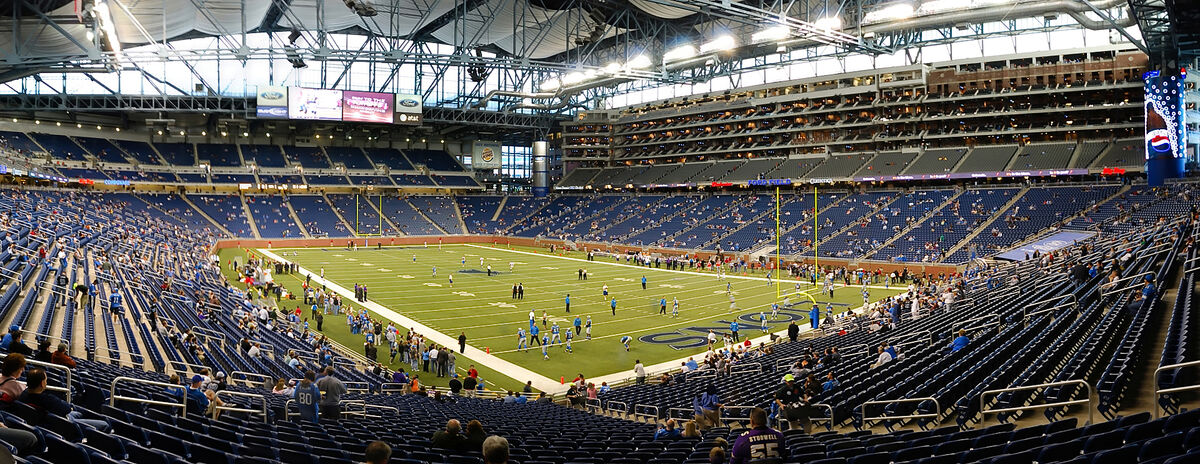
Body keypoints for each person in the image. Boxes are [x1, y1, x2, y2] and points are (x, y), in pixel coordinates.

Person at [20, 368, 111, 431]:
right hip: (65, 424)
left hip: (53, 419)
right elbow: (66, 409)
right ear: (42, 384)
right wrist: (69, 408)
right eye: (46, 380)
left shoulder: (23, 395)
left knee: (78, 413)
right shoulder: (48, 400)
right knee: (105, 424)